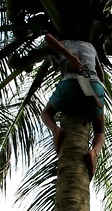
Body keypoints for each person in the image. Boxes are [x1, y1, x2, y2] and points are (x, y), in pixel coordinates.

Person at [41, 33, 105, 181]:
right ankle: (94, 152)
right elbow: (101, 75)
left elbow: (47, 38)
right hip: (94, 86)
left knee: (46, 113)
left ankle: (56, 130)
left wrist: (71, 58)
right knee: (99, 130)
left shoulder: (62, 43)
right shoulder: (91, 47)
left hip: (70, 83)